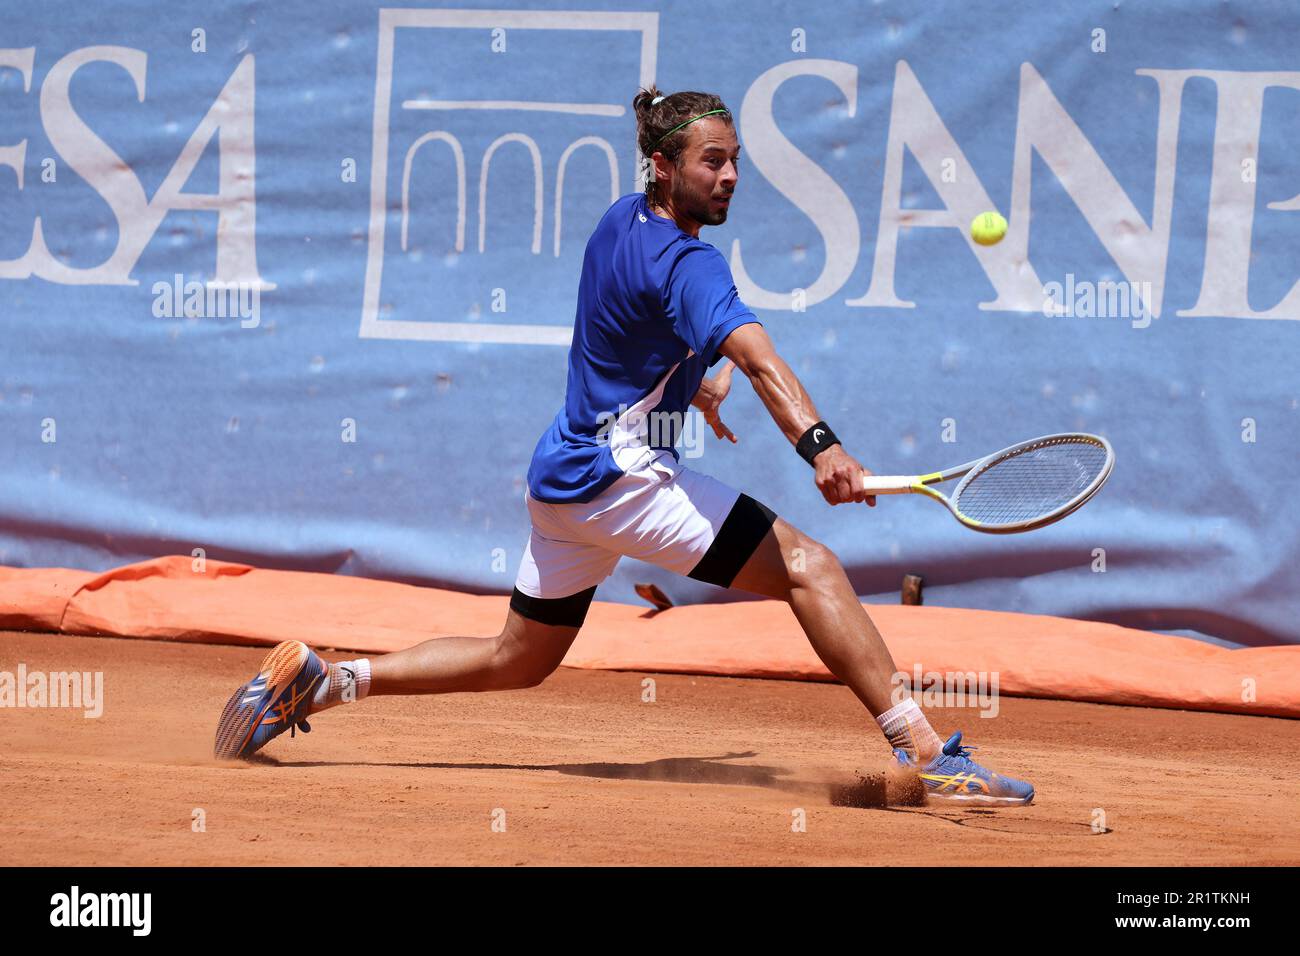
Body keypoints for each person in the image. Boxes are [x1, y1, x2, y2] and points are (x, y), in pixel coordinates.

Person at [214, 87, 1034, 805]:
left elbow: (645, 332)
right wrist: (822, 446)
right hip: (622, 483)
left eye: (736, 161)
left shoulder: (622, 220)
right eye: (712, 162)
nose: (732, 177)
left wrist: (696, 383)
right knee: (810, 567)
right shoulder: (691, 263)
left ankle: (326, 681)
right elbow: (759, 357)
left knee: (517, 659)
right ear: (663, 167)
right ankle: (929, 756)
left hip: (563, 482)